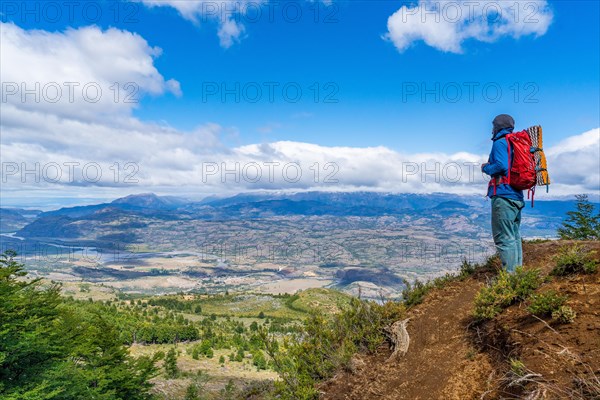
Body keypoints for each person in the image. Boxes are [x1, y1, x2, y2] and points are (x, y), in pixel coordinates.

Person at [481, 114, 525, 273]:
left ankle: (510, 279)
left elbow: (500, 166)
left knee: (503, 239)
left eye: (493, 126)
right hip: (517, 196)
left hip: (503, 196)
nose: (492, 129)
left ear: (498, 127)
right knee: (514, 236)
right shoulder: (517, 143)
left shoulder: (500, 143)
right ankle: (518, 274)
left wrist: (485, 168)